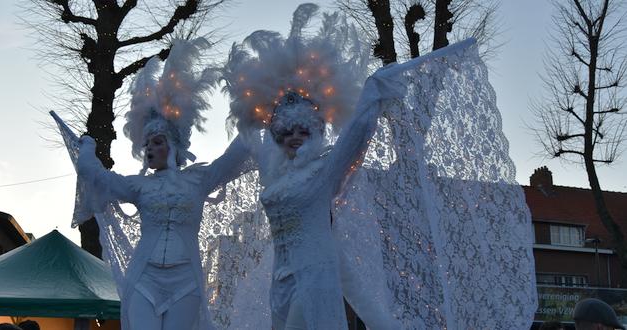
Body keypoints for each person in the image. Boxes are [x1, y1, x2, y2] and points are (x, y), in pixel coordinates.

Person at [204, 3, 537, 329]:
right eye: (286, 132)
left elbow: (356, 133)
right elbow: (241, 147)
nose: (294, 138)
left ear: (316, 130)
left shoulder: (324, 171)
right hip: (280, 277)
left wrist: (373, 93)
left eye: (302, 130)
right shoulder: (273, 174)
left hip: (315, 273)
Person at [56, 39, 250, 330]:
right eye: (146, 143)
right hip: (144, 279)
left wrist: (256, 113)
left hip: (186, 281)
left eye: (157, 142)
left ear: (173, 145)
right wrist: (86, 145)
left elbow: (235, 154)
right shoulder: (138, 187)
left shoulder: (199, 180)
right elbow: (93, 174)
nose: (149, 149)